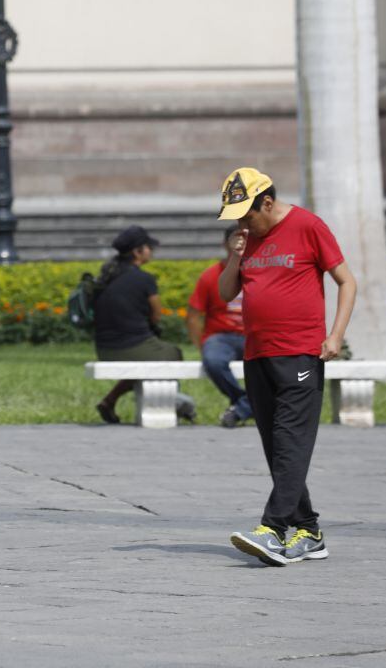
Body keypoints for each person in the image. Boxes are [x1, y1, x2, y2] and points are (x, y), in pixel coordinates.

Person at [219, 168, 356, 566]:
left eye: (247, 214)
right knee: (276, 447)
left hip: (300, 354)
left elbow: (347, 282)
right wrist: (235, 255)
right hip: (257, 355)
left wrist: (335, 335)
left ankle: (273, 528)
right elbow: (226, 293)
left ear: (267, 202)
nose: (243, 223)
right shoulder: (246, 239)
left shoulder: (308, 226)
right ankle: (309, 532)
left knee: (291, 443)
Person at [92, 226, 196, 425]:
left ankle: (110, 400)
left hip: (104, 349)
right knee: (172, 354)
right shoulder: (145, 279)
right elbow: (156, 315)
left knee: (149, 360)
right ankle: (172, 402)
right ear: (137, 252)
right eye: (149, 247)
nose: (151, 251)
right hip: (130, 346)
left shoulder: (107, 275)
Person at [188, 225, 252, 428]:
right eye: (236, 239)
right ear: (225, 244)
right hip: (220, 336)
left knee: (277, 364)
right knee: (213, 360)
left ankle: (241, 409)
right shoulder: (210, 276)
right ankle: (247, 404)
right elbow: (193, 316)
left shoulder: (261, 271)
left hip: (254, 334)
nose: (241, 244)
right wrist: (202, 346)